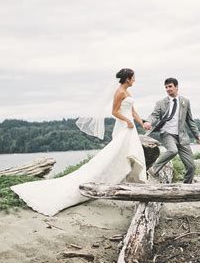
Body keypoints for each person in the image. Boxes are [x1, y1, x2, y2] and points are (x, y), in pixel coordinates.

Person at [11, 68, 147, 216]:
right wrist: (127, 121)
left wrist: (142, 123)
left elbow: (133, 112)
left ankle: (131, 182)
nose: (134, 80)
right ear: (127, 79)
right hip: (124, 126)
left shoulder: (128, 92)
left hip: (130, 127)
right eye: (133, 77)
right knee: (115, 154)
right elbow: (114, 112)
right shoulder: (119, 92)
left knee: (129, 153)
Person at [144, 77, 200, 184]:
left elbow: (190, 121)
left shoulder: (185, 102)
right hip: (167, 134)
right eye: (166, 87)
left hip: (182, 137)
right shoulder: (161, 103)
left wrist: (199, 137)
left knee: (191, 167)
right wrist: (148, 122)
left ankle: (186, 188)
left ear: (176, 87)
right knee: (173, 150)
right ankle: (154, 169)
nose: (168, 89)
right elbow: (154, 115)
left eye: (170, 86)